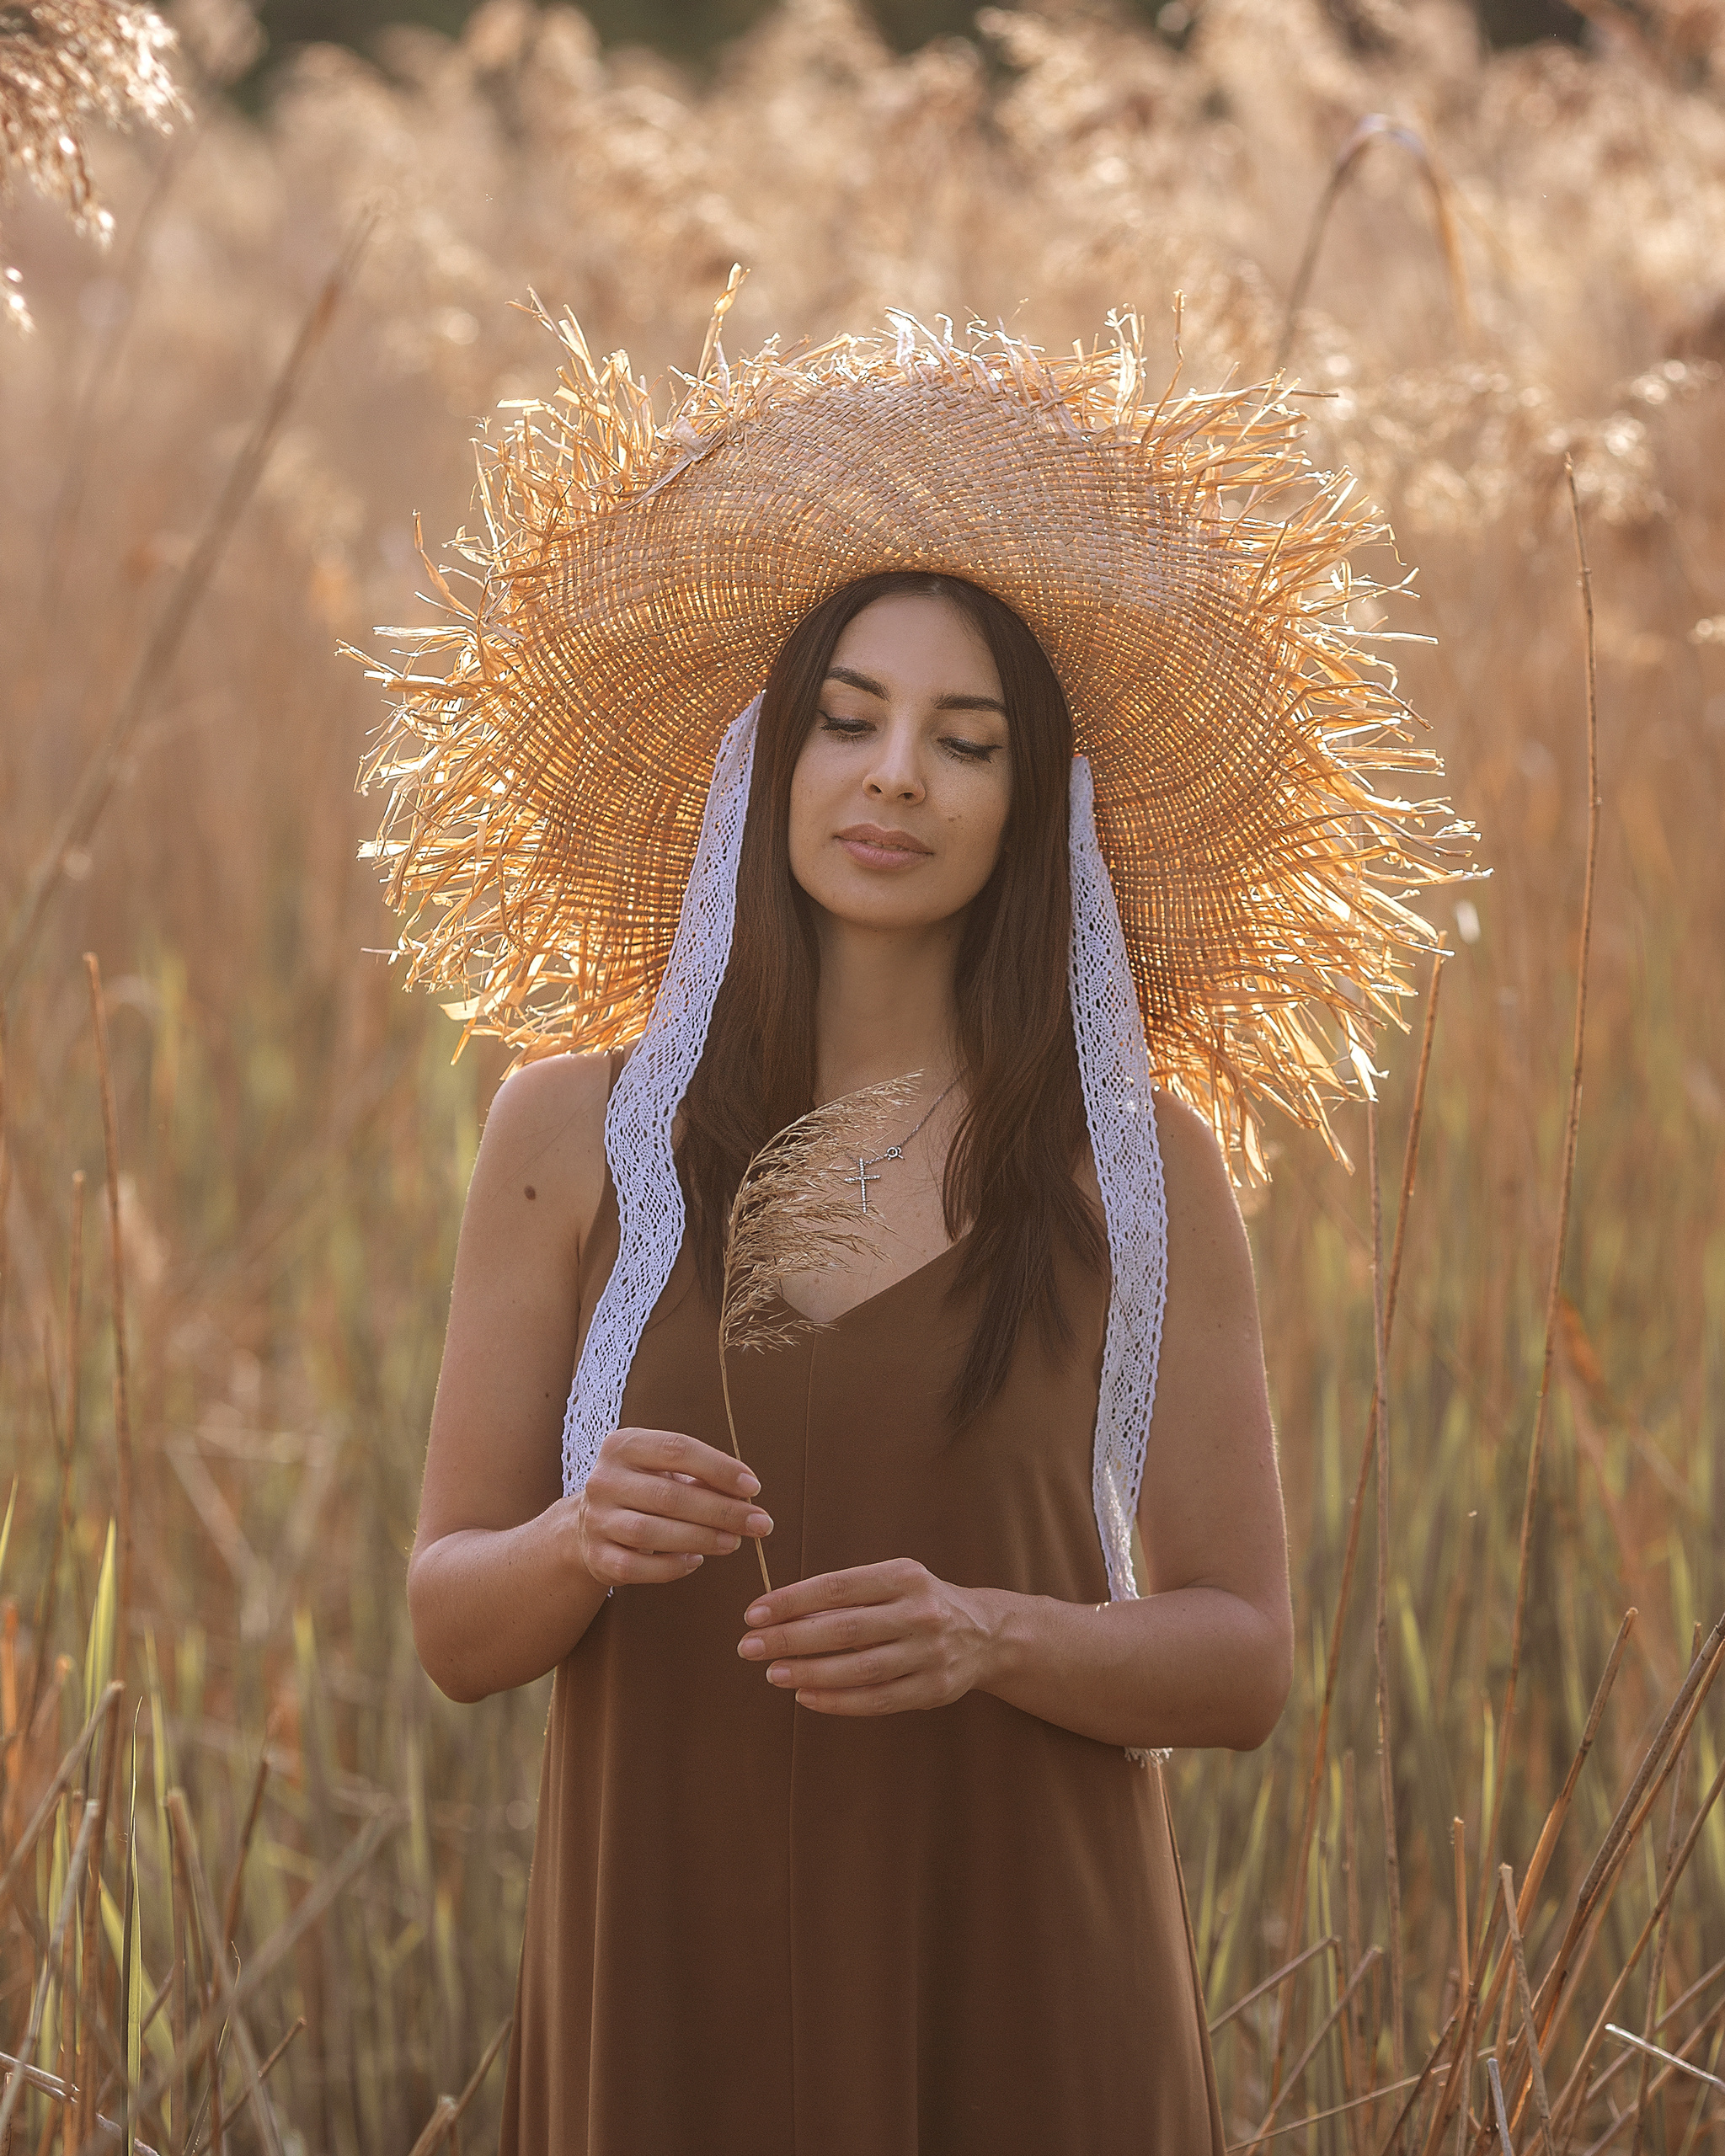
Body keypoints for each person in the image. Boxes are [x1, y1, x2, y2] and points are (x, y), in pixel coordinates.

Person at [362, 305, 1455, 2154]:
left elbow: (1240, 1655)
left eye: (962, 741)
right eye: (848, 721)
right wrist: (578, 1535)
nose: (893, 777)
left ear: (1034, 807)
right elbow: (455, 1623)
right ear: (763, 762)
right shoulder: (572, 1132)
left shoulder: (1139, 1162)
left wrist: (992, 1635)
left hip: (1025, 1975)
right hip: (667, 1981)